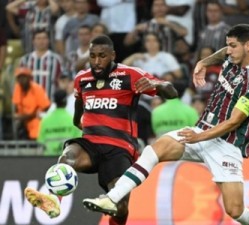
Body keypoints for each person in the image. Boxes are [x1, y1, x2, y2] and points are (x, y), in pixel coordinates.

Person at [84, 24, 249, 225]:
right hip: (201, 130)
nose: (229, 51)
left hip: (227, 145)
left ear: (248, 46)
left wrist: (198, 137)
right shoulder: (234, 55)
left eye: (233, 46)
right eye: (228, 46)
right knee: (153, 150)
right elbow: (223, 53)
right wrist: (203, 62)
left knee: (235, 210)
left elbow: (234, 121)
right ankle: (112, 198)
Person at [24, 35, 178, 225]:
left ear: (113, 55)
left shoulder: (130, 75)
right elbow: (79, 105)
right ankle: (54, 200)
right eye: (93, 56)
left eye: (102, 56)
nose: (97, 62)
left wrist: (157, 84)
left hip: (119, 148)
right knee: (67, 158)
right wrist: (77, 121)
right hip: (90, 144)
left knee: (119, 206)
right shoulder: (82, 79)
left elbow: (171, 92)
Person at [38, 89, 81, 156]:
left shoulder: (45, 121)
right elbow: (78, 142)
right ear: (66, 101)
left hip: (48, 159)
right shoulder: (73, 120)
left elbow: (40, 142)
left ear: (54, 102)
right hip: (68, 159)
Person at [12, 67, 51, 140]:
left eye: (24, 77)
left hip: (35, 119)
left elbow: (46, 106)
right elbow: (15, 105)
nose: (21, 80)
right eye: (19, 77)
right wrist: (17, 116)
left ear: (29, 78)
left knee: (36, 129)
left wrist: (26, 116)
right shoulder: (18, 87)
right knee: (15, 125)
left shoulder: (37, 88)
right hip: (22, 120)